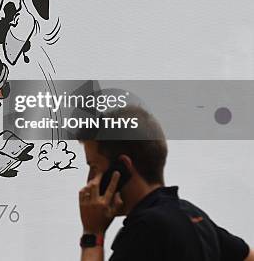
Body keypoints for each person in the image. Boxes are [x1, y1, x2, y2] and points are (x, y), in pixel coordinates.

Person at [77, 105, 253, 261]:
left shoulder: (146, 229)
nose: (89, 181)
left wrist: (92, 234)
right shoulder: (192, 215)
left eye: (94, 167)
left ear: (122, 168)